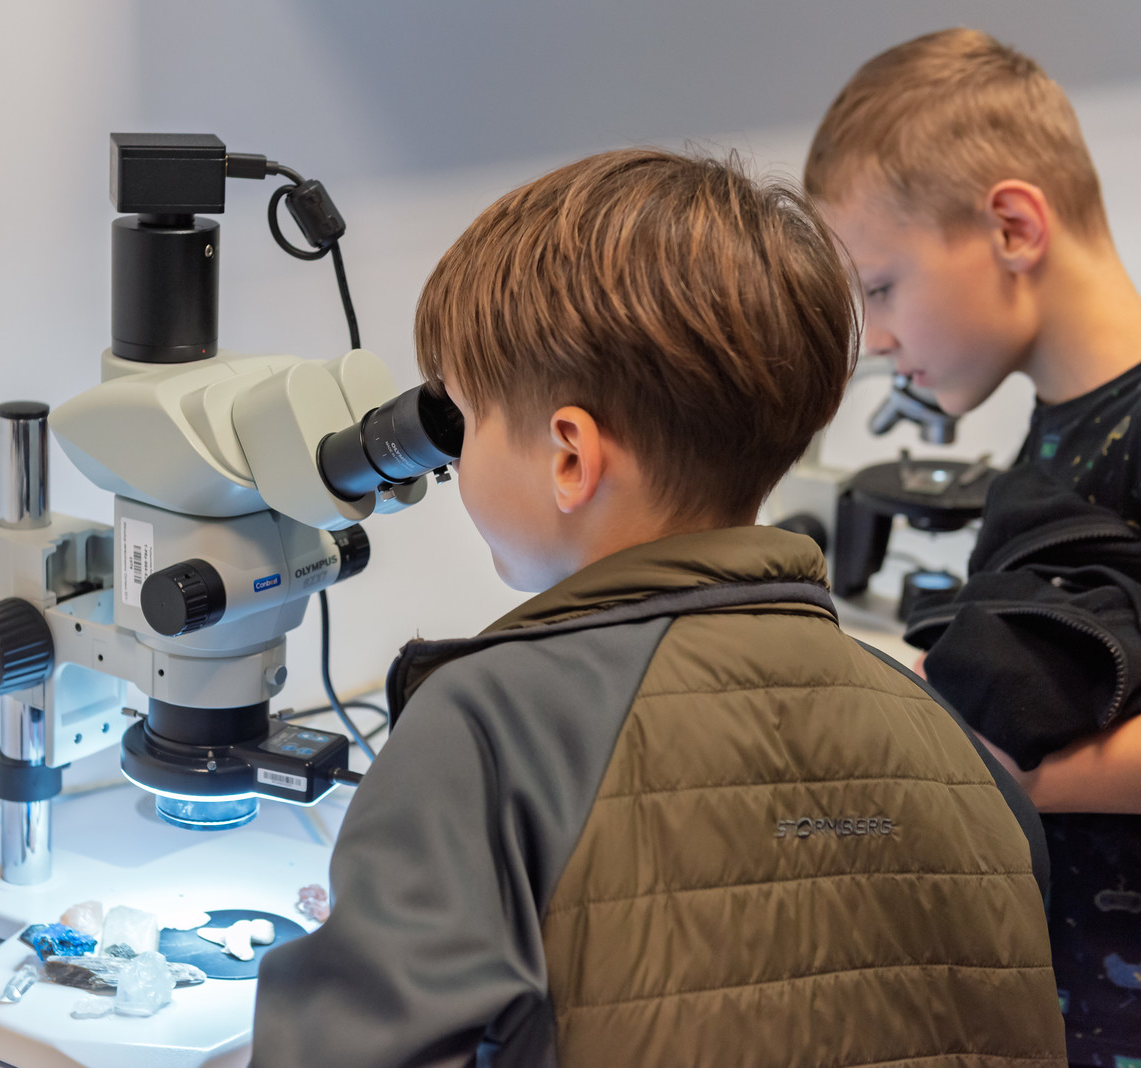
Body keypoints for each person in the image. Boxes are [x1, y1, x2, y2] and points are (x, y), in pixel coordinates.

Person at [248, 147, 1064, 1067]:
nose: (451, 462)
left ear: (570, 457)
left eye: (464, 424)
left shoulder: (490, 730)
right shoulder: (961, 754)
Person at [803, 29, 1141, 1065]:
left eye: (880, 288)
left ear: (1011, 227)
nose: (877, 338)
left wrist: (986, 762)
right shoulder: (1057, 431)